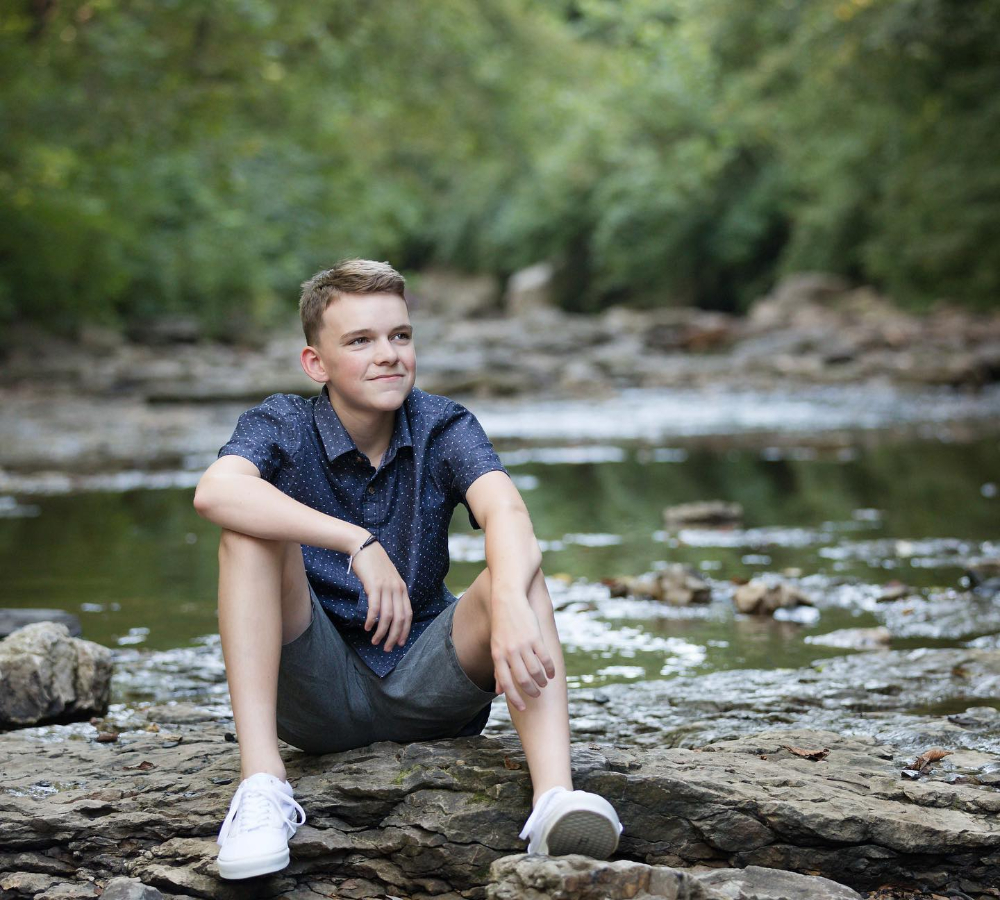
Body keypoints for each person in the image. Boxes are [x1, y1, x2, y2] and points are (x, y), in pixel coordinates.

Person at [193, 258, 623, 881]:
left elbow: (507, 511)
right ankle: (261, 787)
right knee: (248, 534)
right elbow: (214, 492)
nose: (388, 354)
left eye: (400, 335)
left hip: (430, 684)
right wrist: (356, 541)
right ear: (316, 363)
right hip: (317, 690)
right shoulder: (282, 423)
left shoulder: (442, 423)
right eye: (360, 341)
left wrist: (504, 600)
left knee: (518, 568)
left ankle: (553, 799)